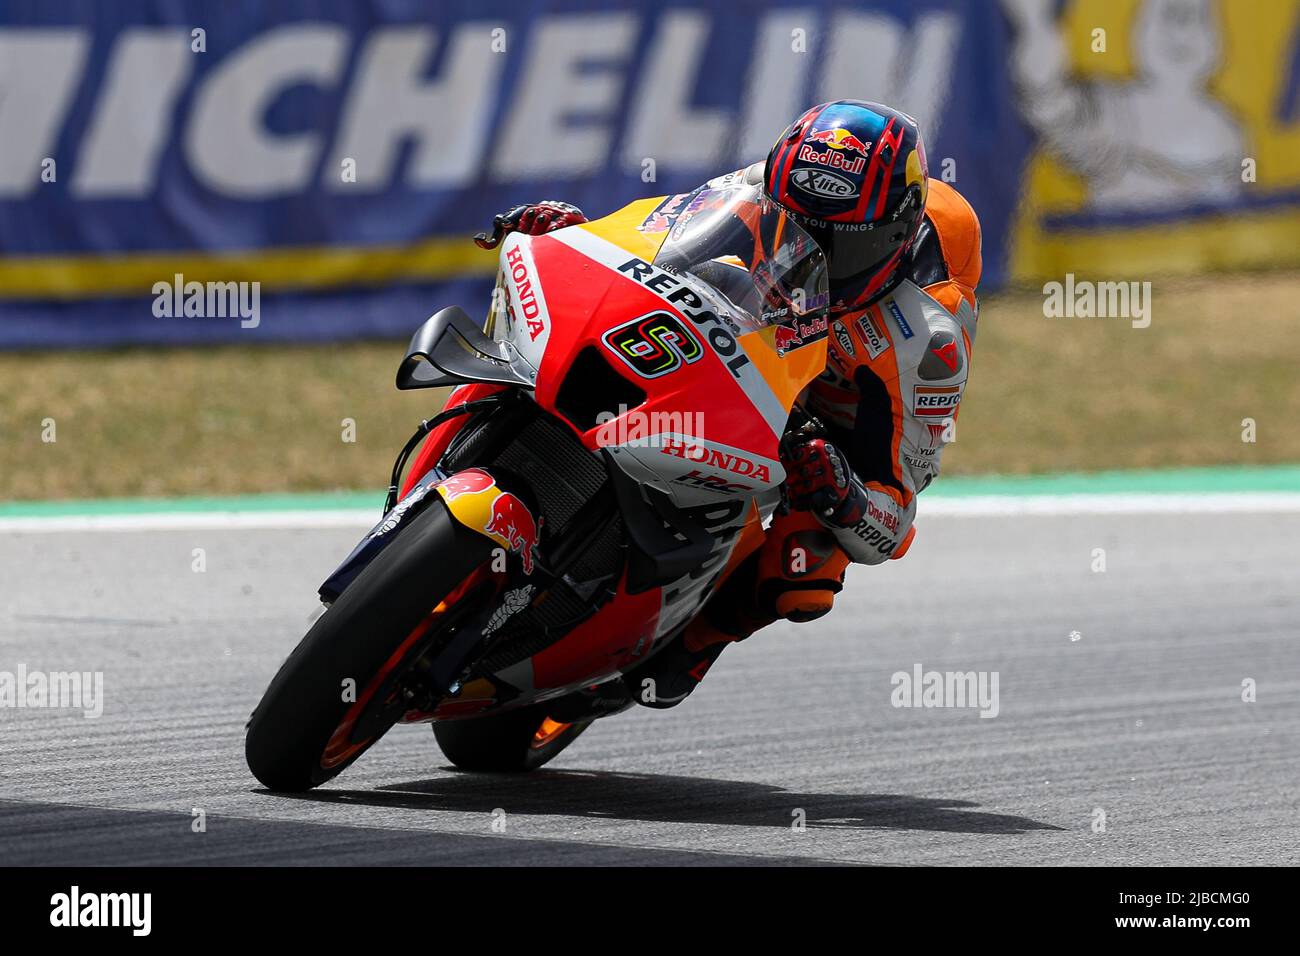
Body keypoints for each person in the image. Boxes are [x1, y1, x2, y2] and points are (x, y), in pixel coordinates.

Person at [475, 100, 983, 707]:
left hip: (832, 406)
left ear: (894, 241)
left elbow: (894, 524)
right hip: (760, 331)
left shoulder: (928, 338)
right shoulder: (765, 189)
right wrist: (573, 233)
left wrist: (843, 489)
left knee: (808, 567)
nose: (814, 254)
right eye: (798, 226)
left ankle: (697, 639)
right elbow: (649, 240)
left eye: (840, 248)